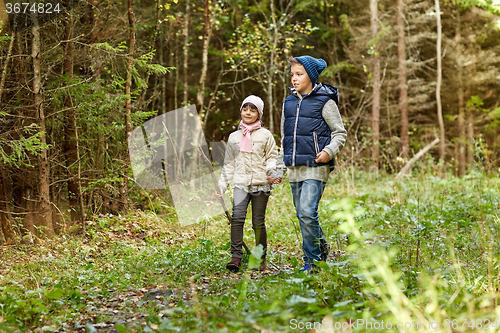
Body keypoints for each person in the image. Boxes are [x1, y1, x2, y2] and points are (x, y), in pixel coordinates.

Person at [276, 56, 347, 272]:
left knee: (307, 212)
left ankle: (313, 262)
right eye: (292, 74)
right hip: (294, 168)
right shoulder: (288, 103)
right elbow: (284, 138)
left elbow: (340, 133)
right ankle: (321, 245)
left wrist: (328, 152)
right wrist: (278, 167)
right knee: (302, 215)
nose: (294, 79)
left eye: (299, 74)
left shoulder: (325, 102)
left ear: (311, 76)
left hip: (317, 166)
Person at [218, 95, 282, 272]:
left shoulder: (266, 135)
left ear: (259, 114)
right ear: (241, 111)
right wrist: (222, 185)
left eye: (252, 110)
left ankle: (260, 258)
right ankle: (236, 257)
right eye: (245, 109)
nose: (248, 113)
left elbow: (271, 157)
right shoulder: (233, 137)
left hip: (261, 185)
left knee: (257, 222)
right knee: (237, 219)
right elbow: (229, 163)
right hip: (240, 185)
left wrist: (271, 172)